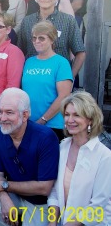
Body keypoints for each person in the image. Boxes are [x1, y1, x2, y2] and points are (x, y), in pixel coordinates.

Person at [0, 88, 60, 226]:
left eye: (9, 112)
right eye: (0, 112)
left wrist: (3, 186)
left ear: (25, 115)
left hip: (40, 202)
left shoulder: (46, 137)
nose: (3, 118)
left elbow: (45, 188)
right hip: (15, 196)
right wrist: (4, 198)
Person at [47, 91, 111, 226]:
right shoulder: (62, 147)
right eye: (67, 114)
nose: (70, 120)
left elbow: (98, 204)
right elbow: (54, 191)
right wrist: (52, 223)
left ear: (90, 119)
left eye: (76, 115)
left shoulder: (104, 156)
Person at [18, 0, 86, 79]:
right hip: (31, 77)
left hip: (58, 77)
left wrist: (69, 78)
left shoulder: (68, 21)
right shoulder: (27, 21)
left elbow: (80, 52)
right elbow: (20, 52)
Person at [21, 21, 73, 141]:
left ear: (52, 40)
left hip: (52, 125)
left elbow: (64, 96)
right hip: (28, 123)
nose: (36, 41)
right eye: (34, 38)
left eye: (41, 38)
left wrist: (43, 119)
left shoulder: (61, 63)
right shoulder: (29, 61)